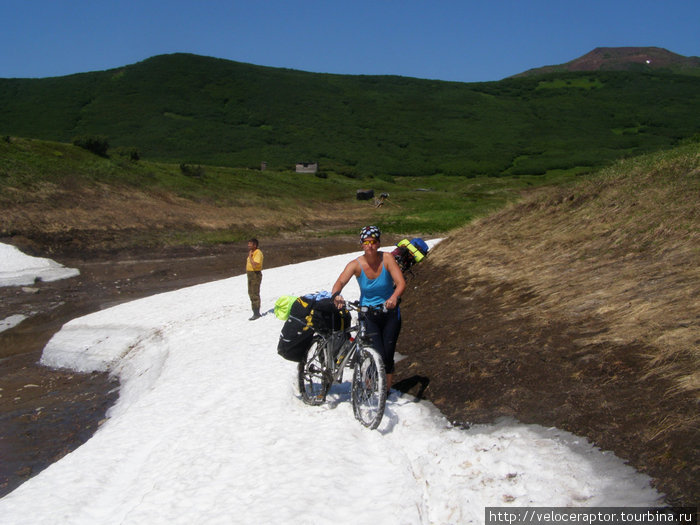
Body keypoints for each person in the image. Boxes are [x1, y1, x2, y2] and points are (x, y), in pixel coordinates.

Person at [331, 226, 405, 391]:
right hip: (368, 314)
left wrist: (394, 297)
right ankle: (370, 385)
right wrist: (336, 294)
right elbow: (340, 282)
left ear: (378, 243)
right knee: (376, 351)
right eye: (366, 242)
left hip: (390, 313)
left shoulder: (387, 259)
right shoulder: (355, 264)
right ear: (361, 244)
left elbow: (400, 283)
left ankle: (385, 392)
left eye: (373, 242)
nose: (370, 245)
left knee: (388, 353)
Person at [246, 238, 264, 320]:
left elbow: (255, 265)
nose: (248, 245)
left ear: (255, 245)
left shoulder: (258, 253)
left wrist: (250, 257)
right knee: (250, 292)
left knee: (254, 292)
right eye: (248, 243)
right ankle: (254, 312)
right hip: (250, 274)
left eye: (250, 244)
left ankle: (256, 313)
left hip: (255, 274)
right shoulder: (252, 252)